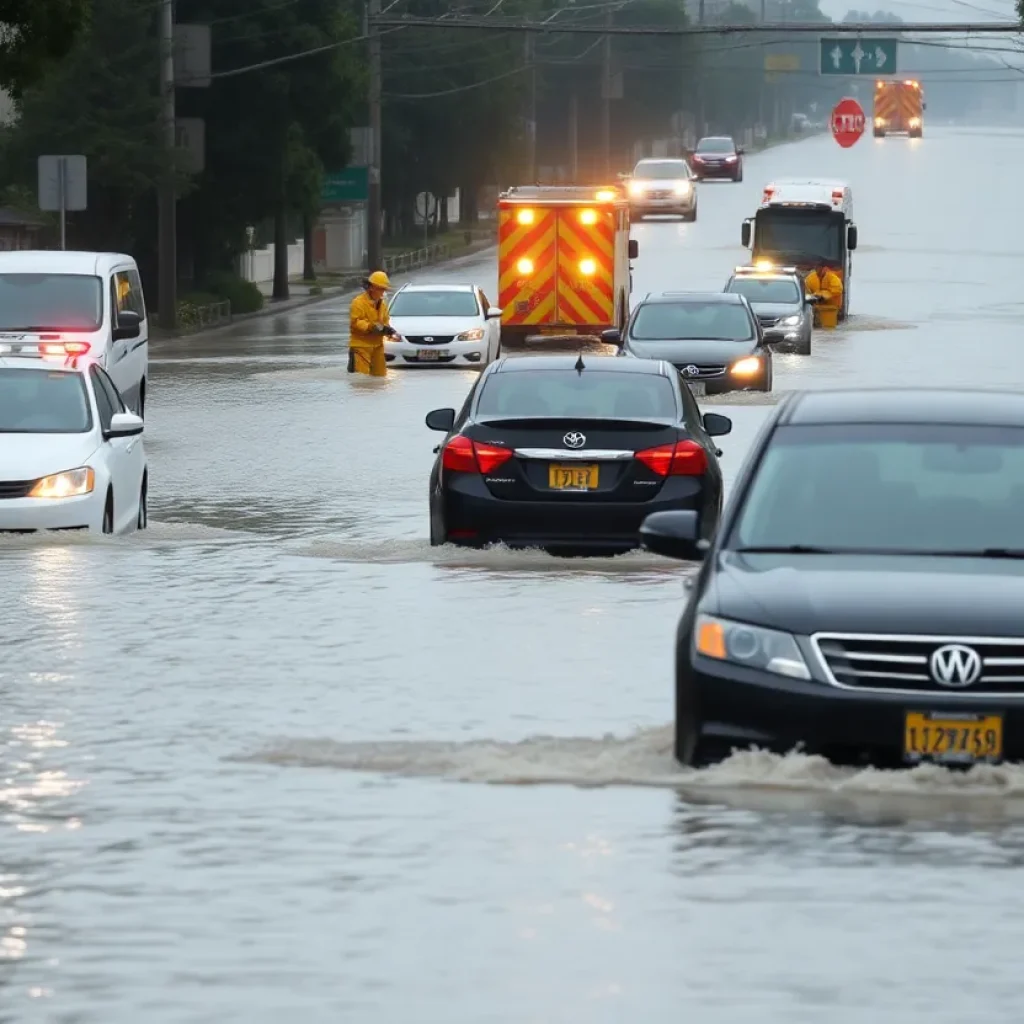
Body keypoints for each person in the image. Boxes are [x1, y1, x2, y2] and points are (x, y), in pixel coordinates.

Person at [348, 270, 396, 376]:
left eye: (384, 289)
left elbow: (384, 321)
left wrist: (387, 329)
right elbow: (356, 322)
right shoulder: (358, 302)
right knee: (360, 380)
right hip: (361, 347)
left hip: (377, 346)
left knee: (380, 378)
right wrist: (371, 327)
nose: (383, 292)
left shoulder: (382, 305)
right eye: (380, 289)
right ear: (371, 287)